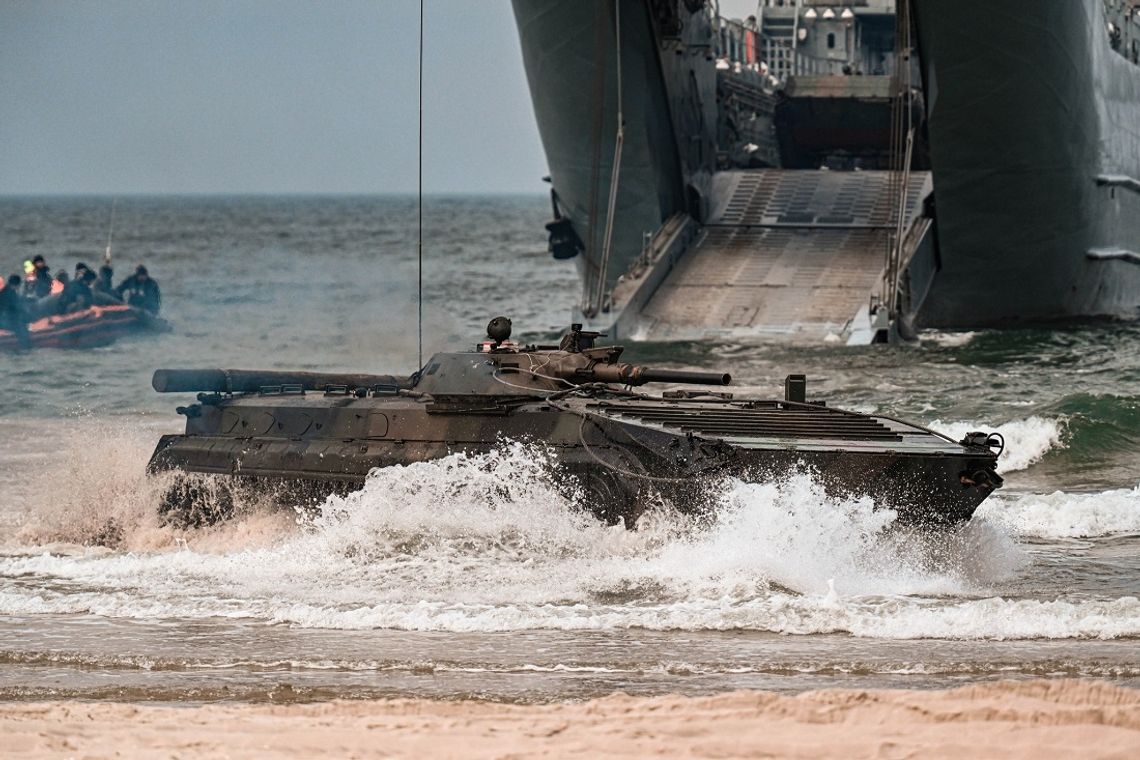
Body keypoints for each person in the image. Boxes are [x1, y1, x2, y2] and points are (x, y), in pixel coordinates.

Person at [0, 274, 30, 345]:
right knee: (22, 330)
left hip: (3, 319)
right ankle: (25, 347)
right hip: (6, 321)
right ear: (16, 284)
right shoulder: (10, 293)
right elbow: (16, 308)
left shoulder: (4, 291)